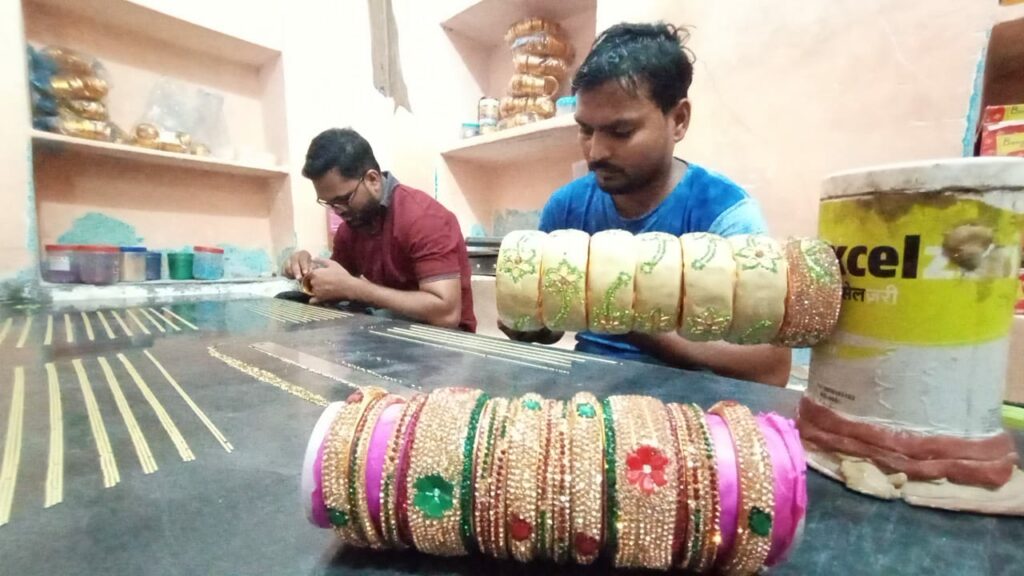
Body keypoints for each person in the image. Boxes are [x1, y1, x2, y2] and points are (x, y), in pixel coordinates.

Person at [502, 22, 791, 386]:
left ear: (679, 120)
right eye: (586, 129)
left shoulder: (724, 215)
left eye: (621, 132)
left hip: (689, 410)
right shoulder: (567, 207)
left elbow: (770, 367)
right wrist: (527, 322)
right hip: (585, 397)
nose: (596, 152)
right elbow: (553, 330)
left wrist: (625, 317)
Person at [284, 128, 477, 332]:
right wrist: (305, 268)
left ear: (373, 180)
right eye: (329, 203)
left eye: (343, 200)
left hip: (445, 342)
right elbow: (335, 282)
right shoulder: (353, 226)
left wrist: (355, 289)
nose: (338, 211)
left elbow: (446, 315)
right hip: (389, 329)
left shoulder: (423, 218)